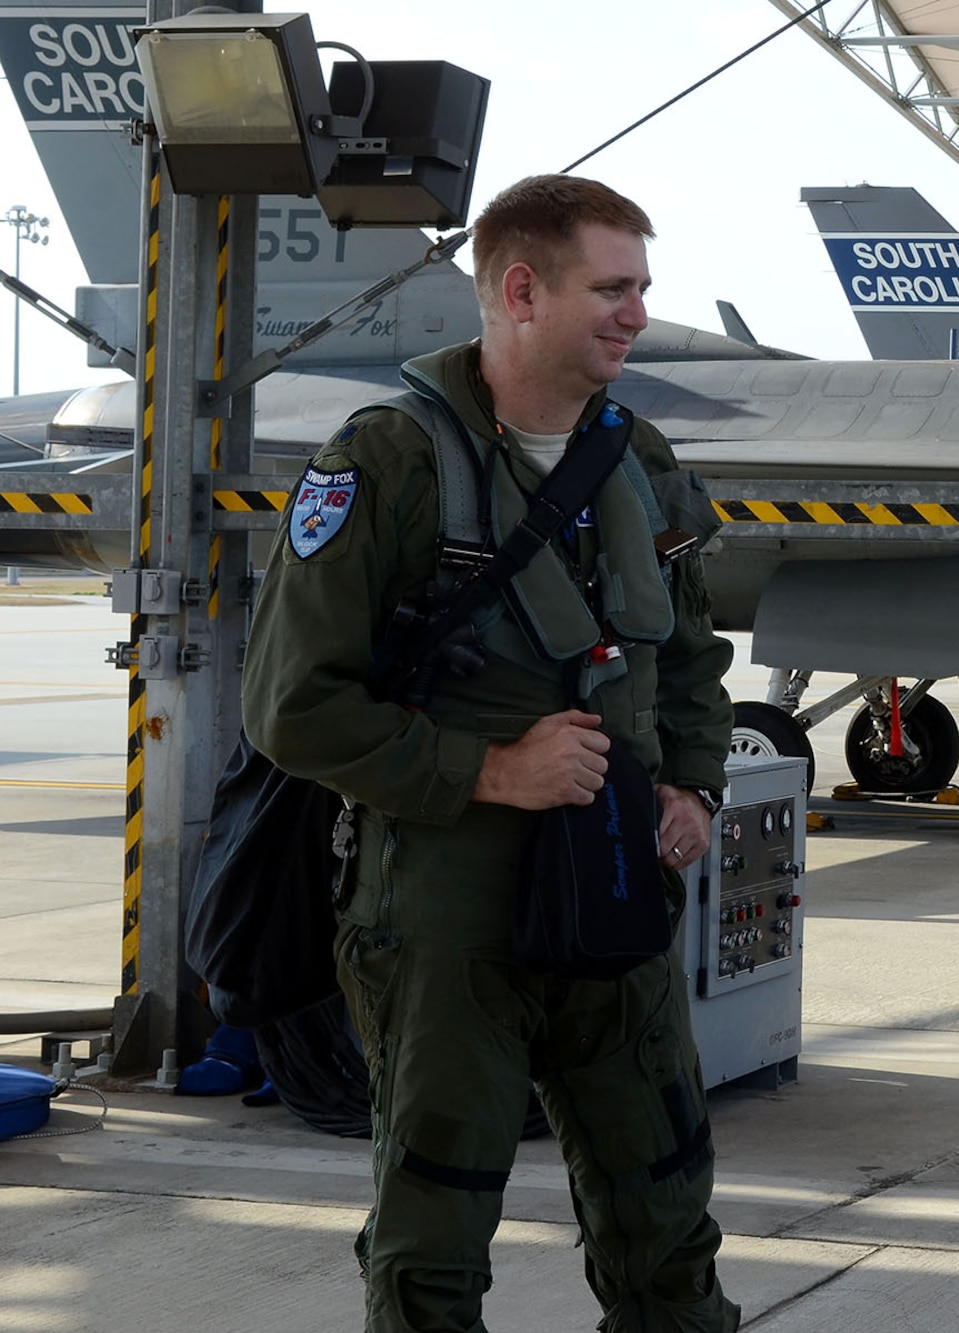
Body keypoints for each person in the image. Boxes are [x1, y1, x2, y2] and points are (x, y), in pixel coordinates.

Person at [243, 175, 738, 1332]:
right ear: (520, 290)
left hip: (615, 896)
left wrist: (690, 786)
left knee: (666, 1221)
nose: (635, 314)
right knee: (436, 1240)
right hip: (445, 916)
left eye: (640, 290)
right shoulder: (386, 462)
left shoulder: (638, 459)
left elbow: (691, 657)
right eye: (611, 289)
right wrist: (486, 769)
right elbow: (291, 706)